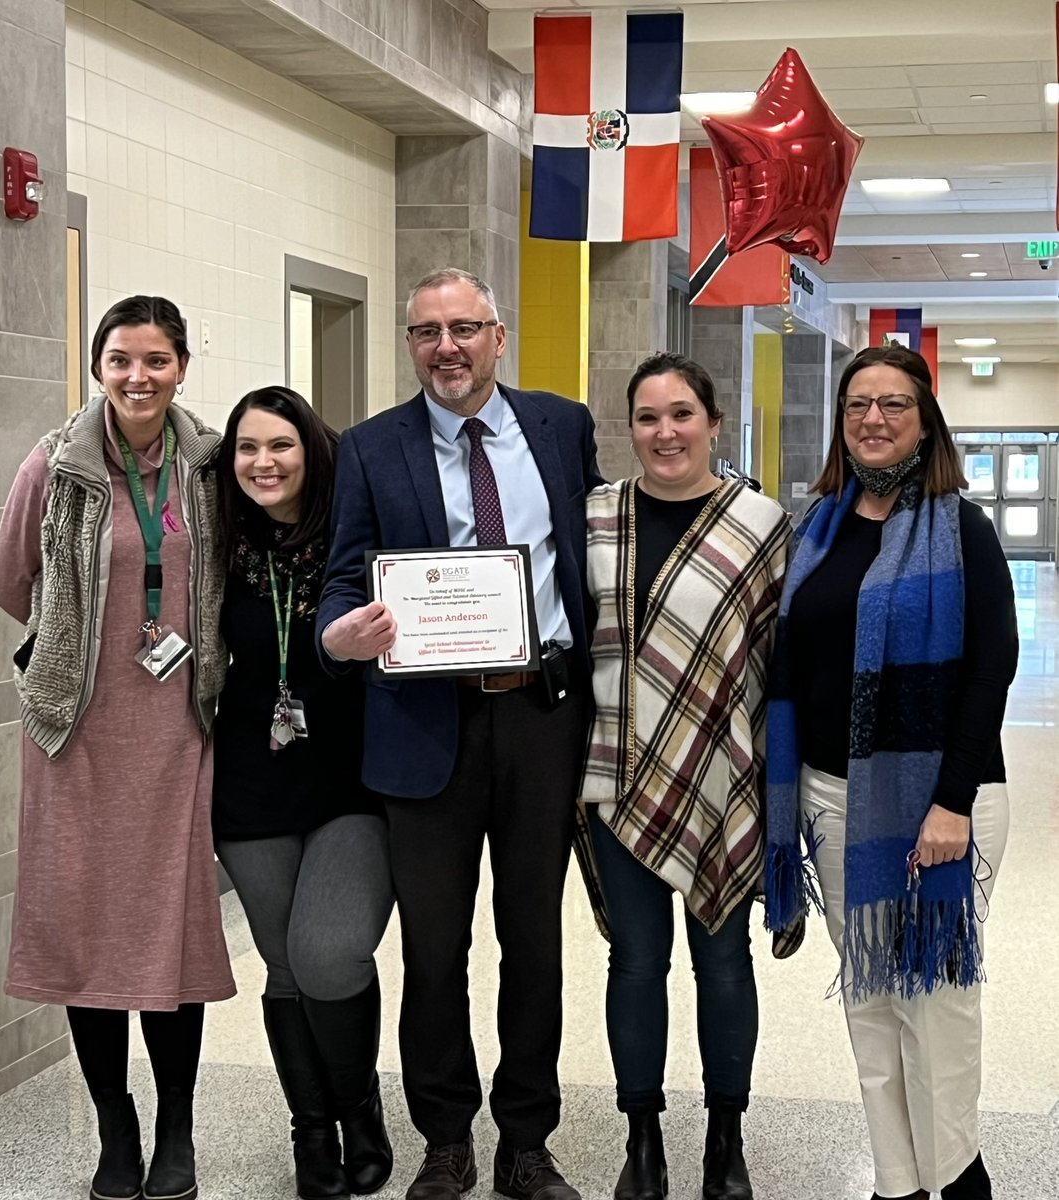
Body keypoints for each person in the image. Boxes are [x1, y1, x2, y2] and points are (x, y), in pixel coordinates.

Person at [316, 267, 604, 1200]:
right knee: (433, 950)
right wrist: (337, 633)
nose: (446, 347)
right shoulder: (367, 448)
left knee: (533, 943)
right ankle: (446, 1138)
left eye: (464, 329)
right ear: (410, 344)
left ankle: (527, 1139)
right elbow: (342, 572)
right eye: (426, 332)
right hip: (420, 724)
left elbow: (597, 554)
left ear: (498, 335)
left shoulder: (561, 428)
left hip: (539, 716)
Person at [0, 295, 235, 1200]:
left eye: (156, 361)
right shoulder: (54, 465)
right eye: (120, 360)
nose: (137, 378)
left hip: (179, 736)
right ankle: (116, 1132)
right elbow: (14, 580)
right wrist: (73, 647)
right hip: (77, 736)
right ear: (98, 366)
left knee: (168, 939)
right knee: (86, 937)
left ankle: (177, 1128)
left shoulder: (208, 466)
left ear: (181, 367)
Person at [765, 344, 1017, 1200]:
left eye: (893, 404)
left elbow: (993, 666)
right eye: (856, 405)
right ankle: (895, 1180)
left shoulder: (960, 529)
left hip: (941, 800)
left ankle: (957, 1176)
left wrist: (949, 803)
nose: (872, 419)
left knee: (934, 1003)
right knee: (869, 998)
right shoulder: (816, 527)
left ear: (924, 420)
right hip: (833, 797)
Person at [576, 353, 791, 1200]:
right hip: (616, 774)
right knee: (634, 964)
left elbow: (778, 658)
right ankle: (642, 1141)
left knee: (723, 961)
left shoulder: (759, 524)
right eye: (646, 418)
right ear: (627, 428)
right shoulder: (595, 517)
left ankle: (725, 1141)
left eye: (680, 415)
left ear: (712, 422)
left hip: (722, 775)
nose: (664, 433)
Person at [211, 386, 394, 1200]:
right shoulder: (216, 546)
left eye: (279, 445)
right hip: (251, 784)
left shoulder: (357, 542)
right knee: (283, 966)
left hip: (350, 781)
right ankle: (311, 1128)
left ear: (312, 450)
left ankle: (360, 1108)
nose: (263, 463)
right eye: (247, 448)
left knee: (329, 952)